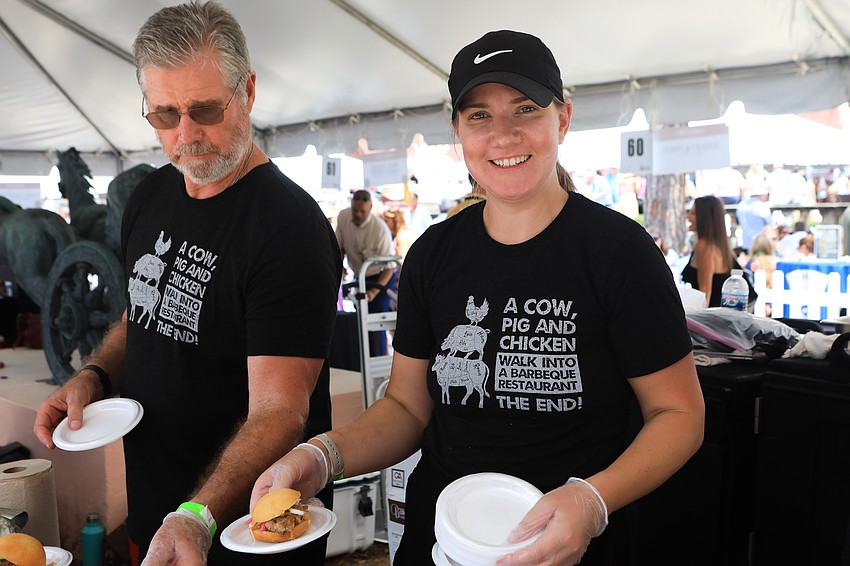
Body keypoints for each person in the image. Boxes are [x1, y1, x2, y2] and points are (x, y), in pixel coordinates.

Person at [250, 30, 705, 566]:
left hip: (566, 544)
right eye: (479, 116)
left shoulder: (619, 253)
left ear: (562, 119)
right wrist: (321, 456)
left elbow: (679, 413)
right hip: (443, 536)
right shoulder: (433, 254)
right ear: (458, 132)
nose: (503, 136)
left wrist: (594, 500)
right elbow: (405, 408)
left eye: (526, 109)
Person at [32, 3, 341, 565]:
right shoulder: (150, 197)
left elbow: (280, 412)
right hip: (156, 512)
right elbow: (143, 313)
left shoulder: (288, 230)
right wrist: (96, 374)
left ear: (247, 91)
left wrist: (196, 515)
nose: (187, 135)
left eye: (204, 109)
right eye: (165, 115)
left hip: (246, 530)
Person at [336, 189, 397, 354]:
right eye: (355, 210)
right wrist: (339, 266)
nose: (358, 214)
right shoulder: (343, 217)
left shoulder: (380, 230)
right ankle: (362, 360)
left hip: (381, 278)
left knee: (375, 320)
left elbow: (389, 269)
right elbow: (339, 248)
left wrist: (373, 293)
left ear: (370, 208)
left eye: (362, 211)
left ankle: (378, 360)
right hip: (360, 276)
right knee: (360, 320)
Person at [681, 195, 740, 307]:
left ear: (704, 217)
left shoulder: (704, 246)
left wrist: (698, 321)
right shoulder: (719, 246)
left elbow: (705, 292)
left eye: (693, 213)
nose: (688, 217)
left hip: (709, 315)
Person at [736, 185, 772, 253]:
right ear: (761, 195)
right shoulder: (761, 206)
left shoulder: (741, 205)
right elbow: (769, 224)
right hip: (760, 244)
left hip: (746, 242)